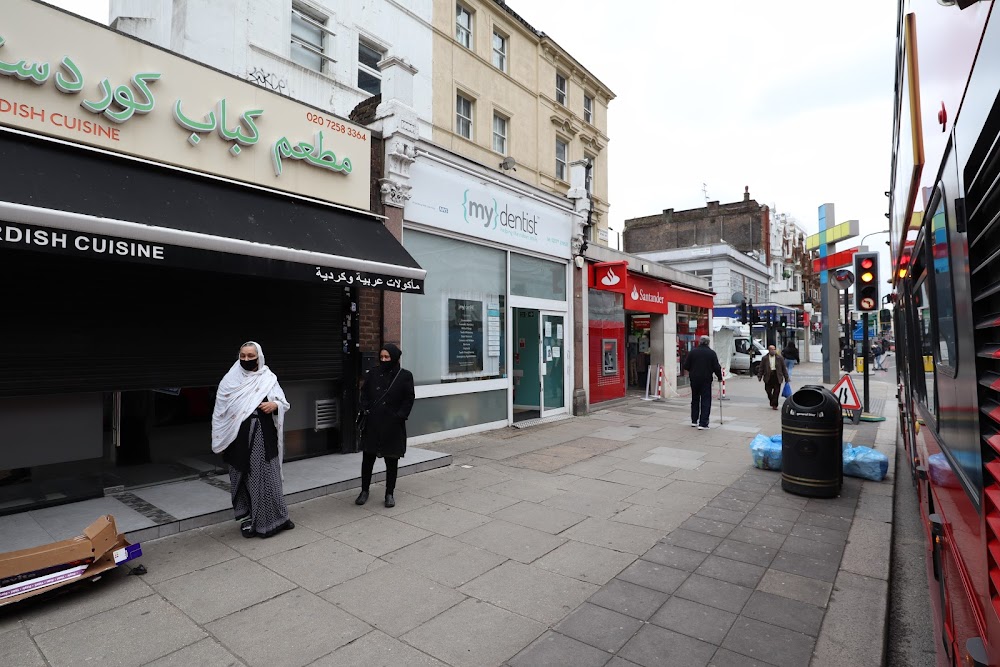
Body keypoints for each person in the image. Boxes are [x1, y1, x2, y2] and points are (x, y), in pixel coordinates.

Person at [211, 341, 294, 539]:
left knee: (269, 476)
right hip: (238, 437)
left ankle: (279, 518)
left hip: (264, 434)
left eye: (251, 356)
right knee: (245, 477)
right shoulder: (230, 381)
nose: (247, 359)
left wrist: (274, 405)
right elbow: (221, 413)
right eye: (243, 356)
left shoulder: (268, 378)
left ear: (259, 357)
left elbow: (284, 402)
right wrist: (222, 439)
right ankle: (252, 518)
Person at [356, 343, 415, 508]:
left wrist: (399, 417)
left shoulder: (405, 376)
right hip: (373, 423)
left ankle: (389, 493)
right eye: (381, 357)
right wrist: (365, 408)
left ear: (394, 357)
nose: (383, 360)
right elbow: (364, 394)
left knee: (391, 460)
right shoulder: (373, 374)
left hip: (393, 425)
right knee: (368, 459)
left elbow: (408, 398)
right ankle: (364, 491)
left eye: (387, 357)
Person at [682, 335, 723, 430]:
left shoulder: (693, 352)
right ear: (708, 342)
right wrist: (720, 377)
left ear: (699, 342)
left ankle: (694, 421)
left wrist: (693, 370)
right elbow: (717, 367)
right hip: (706, 379)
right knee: (705, 400)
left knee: (695, 399)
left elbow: (686, 365)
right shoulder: (711, 353)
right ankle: (703, 423)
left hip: (694, 379)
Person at [757, 344, 790, 410]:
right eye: (771, 349)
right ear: (769, 350)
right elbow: (761, 368)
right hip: (768, 376)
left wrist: (786, 377)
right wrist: (759, 376)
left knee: (776, 391)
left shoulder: (780, 358)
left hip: (777, 376)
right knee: (768, 390)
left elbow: (784, 368)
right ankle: (772, 400)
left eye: (774, 349)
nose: (773, 351)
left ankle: (775, 404)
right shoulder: (765, 358)